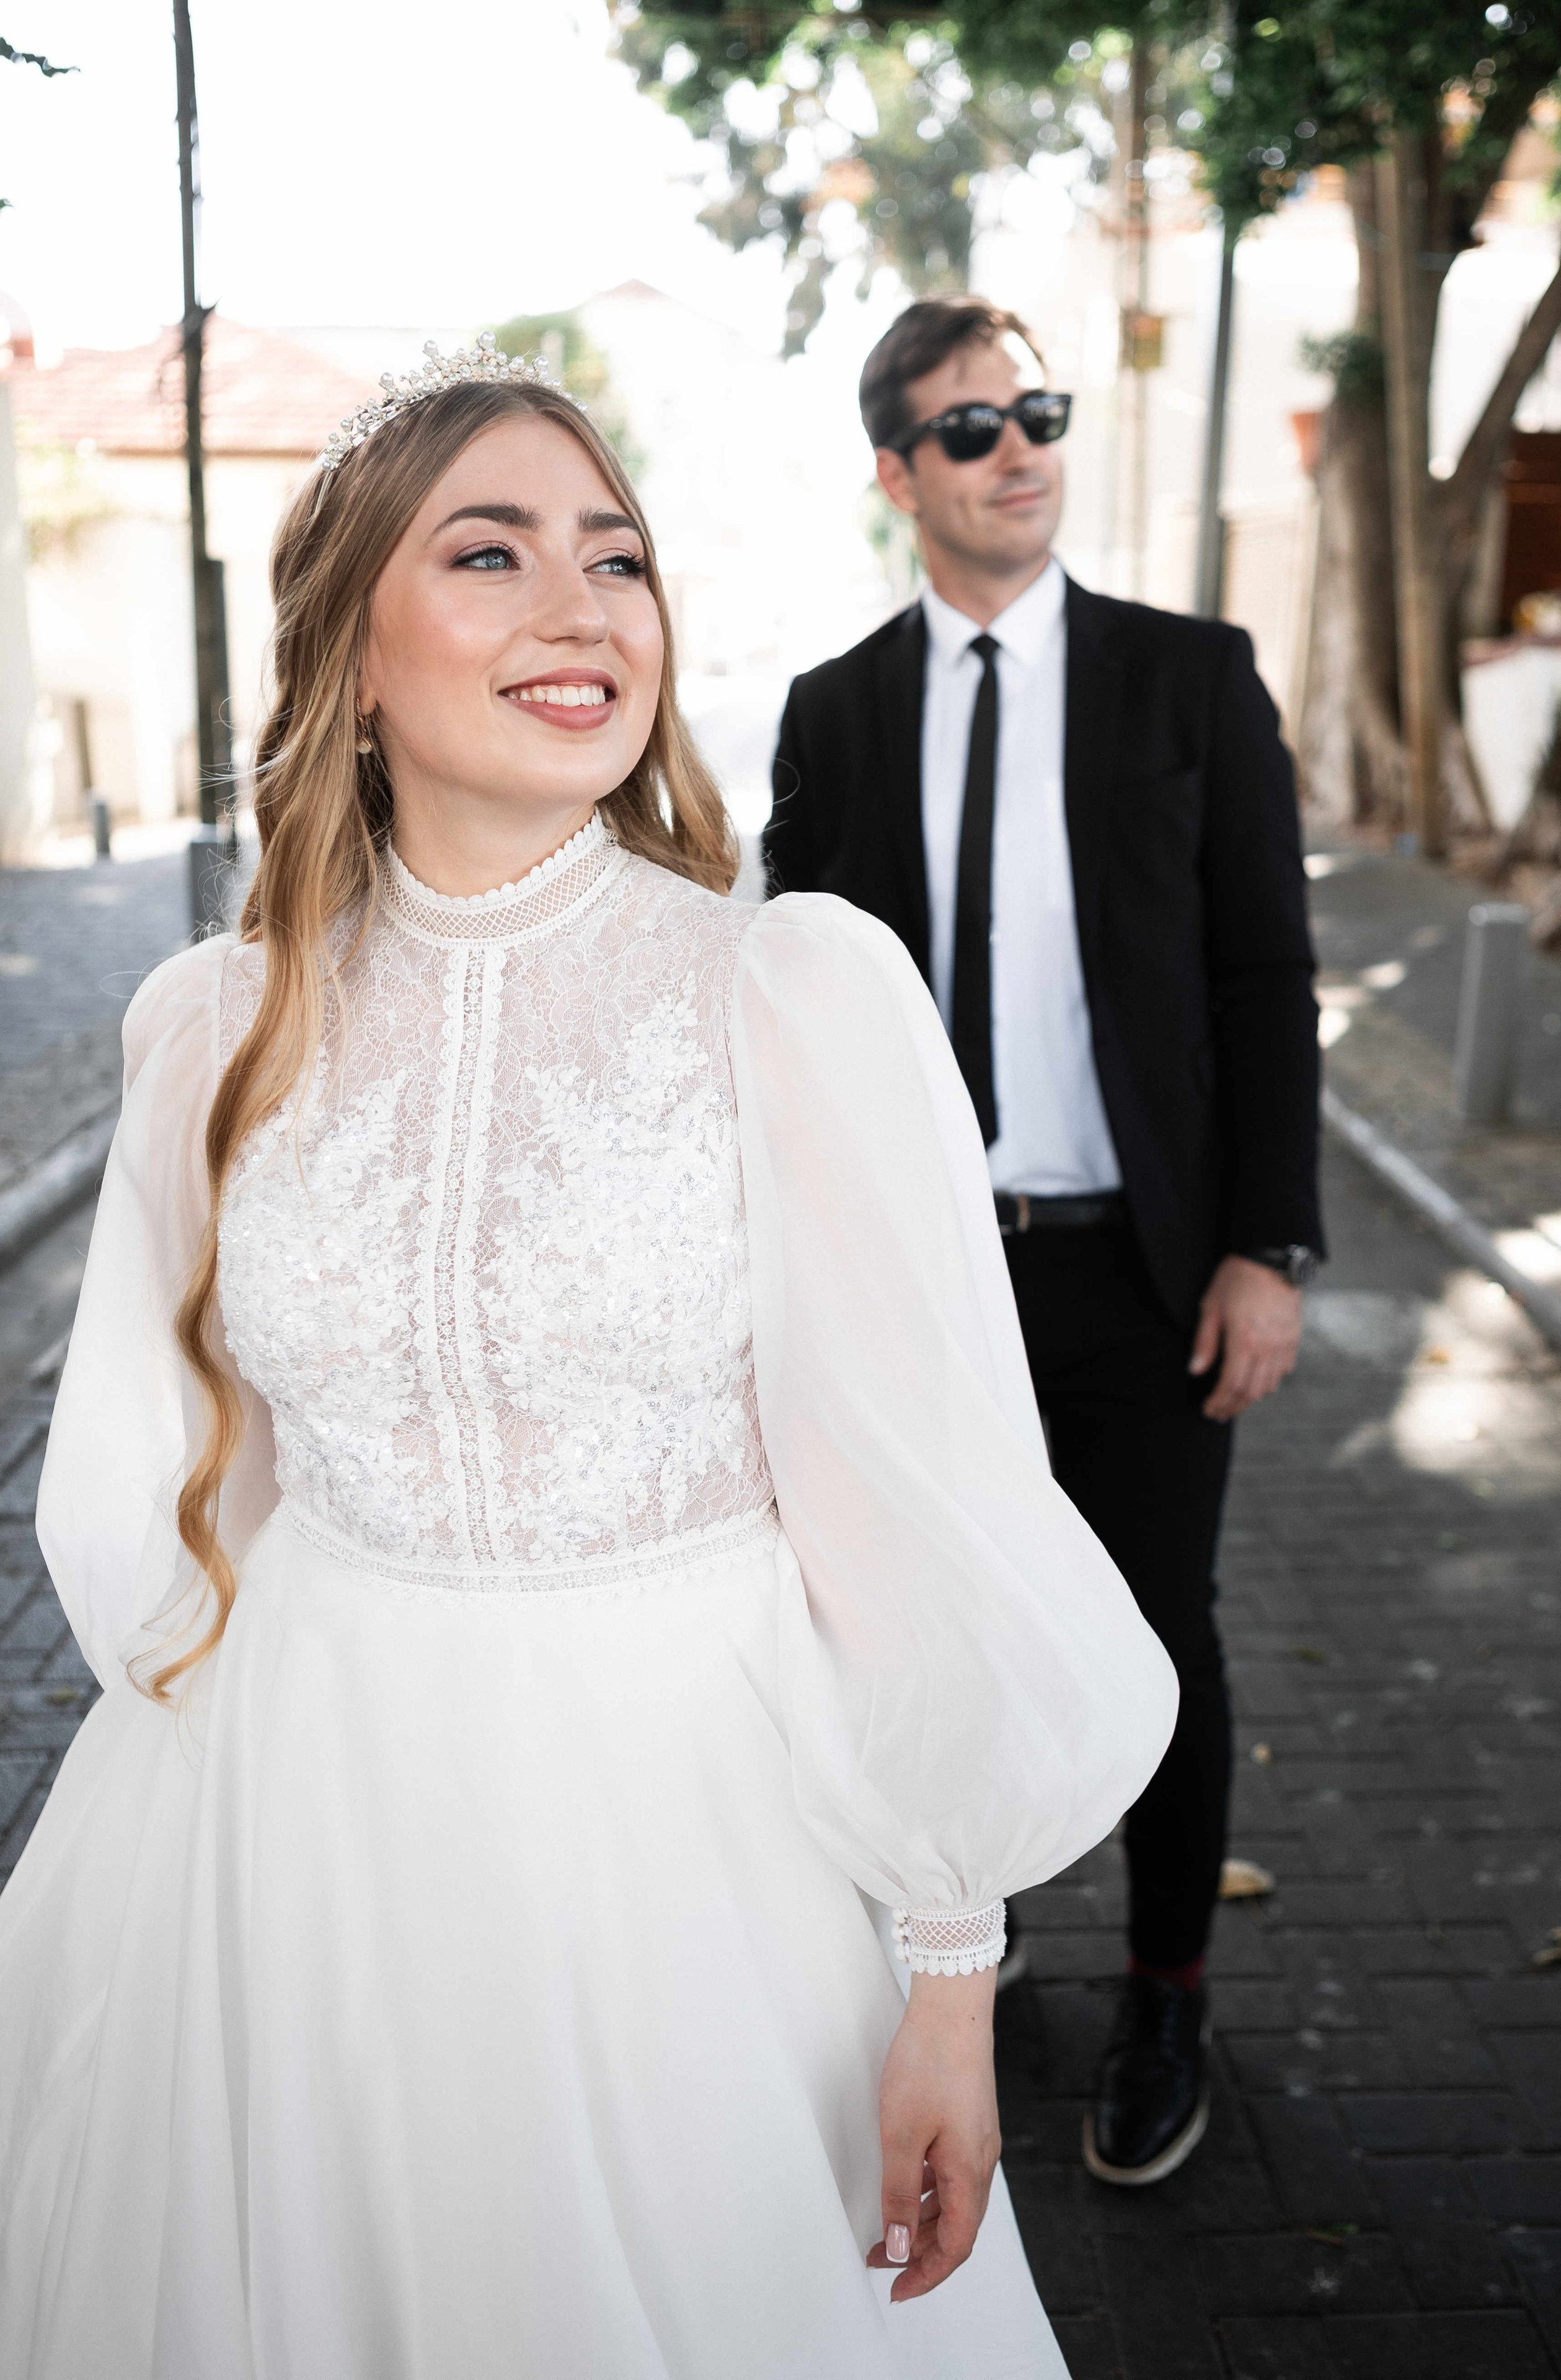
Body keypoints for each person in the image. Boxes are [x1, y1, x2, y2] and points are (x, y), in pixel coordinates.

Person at [0, 338, 1177, 2378]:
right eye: (491, 555)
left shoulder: (787, 990)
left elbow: (912, 1508)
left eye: (616, 559)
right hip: (287, 1840)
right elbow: (189, 1471)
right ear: (351, 656)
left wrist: (947, 1967)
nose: (581, 613)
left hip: (692, 1853)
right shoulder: (210, 1024)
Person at [764, 296, 1323, 2190]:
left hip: (1142, 1272)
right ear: (899, 470)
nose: (1019, 450)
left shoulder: (1193, 676)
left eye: (1038, 416)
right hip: (923, 1283)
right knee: (902, 1636)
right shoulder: (835, 713)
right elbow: (792, 1009)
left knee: (1162, 1640)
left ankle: (1166, 1993)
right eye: (972, 426)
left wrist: (1271, 1247)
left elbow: (1265, 971)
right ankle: (954, 1974)